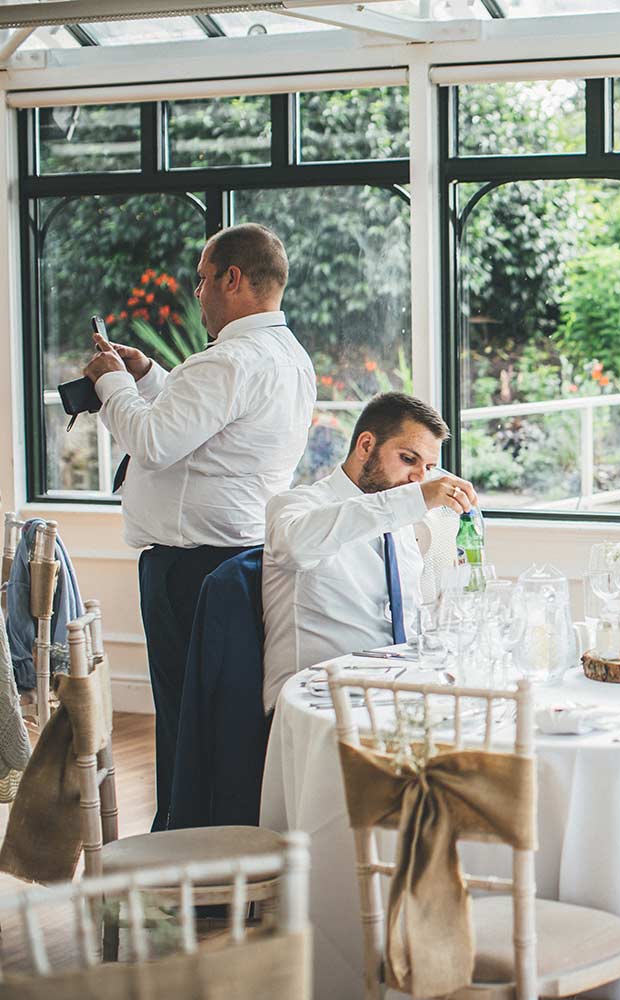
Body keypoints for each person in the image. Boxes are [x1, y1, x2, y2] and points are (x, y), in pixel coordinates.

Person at [82, 223, 314, 831]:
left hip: (191, 568)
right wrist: (150, 377)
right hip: (244, 556)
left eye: (204, 279)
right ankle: (221, 840)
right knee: (221, 714)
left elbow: (157, 440)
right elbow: (208, 430)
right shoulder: (288, 357)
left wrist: (109, 383)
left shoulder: (231, 359)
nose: (199, 292)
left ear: (233, 279)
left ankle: (187, 841)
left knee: (186, 716)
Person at [261, 393, 478, 711]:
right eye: (408, 459)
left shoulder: (403, 524)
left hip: (394, 695)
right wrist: (414, 500)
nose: (419, 478)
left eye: (428, 467)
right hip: (316, 704)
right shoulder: (297, 506)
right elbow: (295, 545)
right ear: (365, 446)